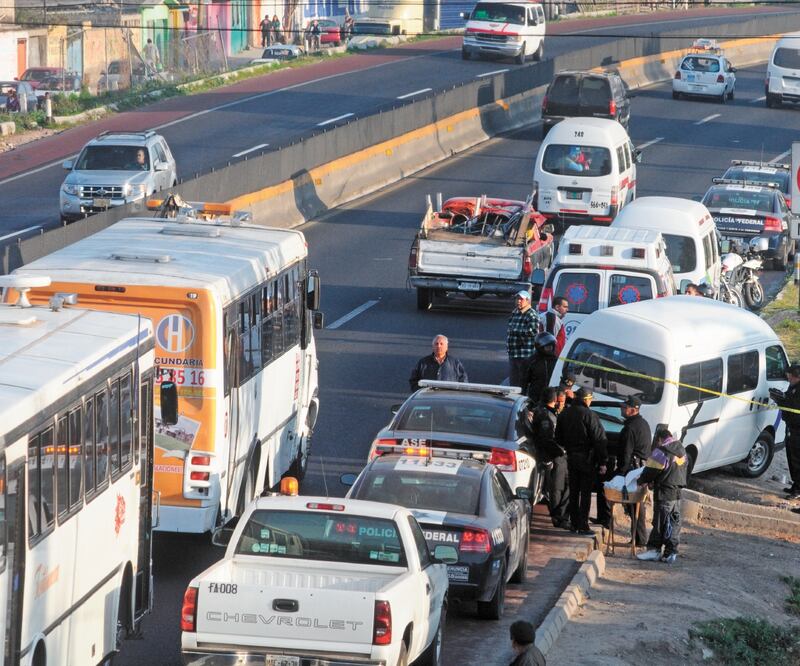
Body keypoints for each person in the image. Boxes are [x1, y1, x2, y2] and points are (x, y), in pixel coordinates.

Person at [557, 387, 607, 535]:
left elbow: (558, 438)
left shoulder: (564, 413)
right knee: (585, 493)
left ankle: (573, 523)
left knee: (573, 491)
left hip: (570, 457)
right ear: (586, 399)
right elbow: (599, 440)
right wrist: (603, 461)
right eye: (590, 399)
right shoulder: (590, 415)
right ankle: (583, 525)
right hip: (586, 459)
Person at [636, 428, 688, 564]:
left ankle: (654, 550)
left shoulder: (661, 451)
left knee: (660, 522)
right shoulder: (682, 450)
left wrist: (641, 481)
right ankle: (671, 553)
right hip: (677, 493)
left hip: (664, 493)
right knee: (674, 522)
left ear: (659, 439)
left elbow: (650, 471)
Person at [527, 387, 569, 528]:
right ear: (555, 399)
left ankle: (559, 515)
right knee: (557, 487)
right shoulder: (545, 415)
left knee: (557, 486)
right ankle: (558, 517)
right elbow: (546, 439)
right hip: (551, 456)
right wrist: (560, 452)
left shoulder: (542, 411)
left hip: (551, 455)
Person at [615, 395, 652, 546]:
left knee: (634, 504)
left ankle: (640, 538)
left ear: (632, 410)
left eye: (624, 407)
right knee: (637, 504)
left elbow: (626, 453)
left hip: (633, 470)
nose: (621, 409)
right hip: (641, 468)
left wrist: (620, 473)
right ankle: (638, 538)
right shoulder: (643, 423)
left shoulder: (630, 428)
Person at [770, 364, 800, 499]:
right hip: (791, 426)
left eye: (790, 376)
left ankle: (798, 490)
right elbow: (788, 401)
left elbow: (794, 407)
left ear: (797, 377)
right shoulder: (793, 387)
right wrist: (779, 397)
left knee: (797, 459)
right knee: (791, 457)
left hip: (798, 429)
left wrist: (781, 400)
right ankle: (796, 484)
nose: (788, 378)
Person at [507, 290, 538, 393]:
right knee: (513, 382)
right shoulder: (515, 312)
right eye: (517, 299)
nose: (518, 301)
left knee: (522, 382)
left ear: (528, 301)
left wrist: (516, 332)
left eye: (521, 299)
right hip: (513, 353)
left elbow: (533, 331)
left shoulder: (531, 314)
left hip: (524, 354)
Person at [527, 332, 558, 403]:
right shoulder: (532, 361)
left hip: (552, 397)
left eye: (551, 346)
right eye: (547, 347)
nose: (550, 349)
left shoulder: (556, 360)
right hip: (535, 398)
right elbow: (524, 382)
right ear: (540, 347)